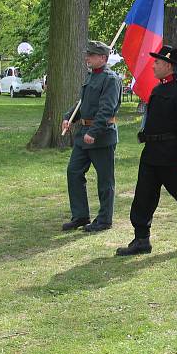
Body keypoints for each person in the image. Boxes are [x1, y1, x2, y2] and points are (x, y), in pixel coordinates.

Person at [117, 43, 177, 256]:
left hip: (171, 156)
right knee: (143, 197)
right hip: (151, 154)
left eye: (157, 62)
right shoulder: (158, 90)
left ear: (169, 65)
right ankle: (142, 239)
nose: (153, 66)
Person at [61, 41, 122, 233]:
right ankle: (80, 215)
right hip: (83, 135)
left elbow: (106, 109)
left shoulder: (111, 79)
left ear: (103, 58)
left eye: (91, 55)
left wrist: (93, 132)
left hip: (101, 136)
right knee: (74, 172)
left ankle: (104, 220)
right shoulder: (90, 76)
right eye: (87, 54)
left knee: (105, 180)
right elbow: (82, 103)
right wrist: (68, 118)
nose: (87, 58)